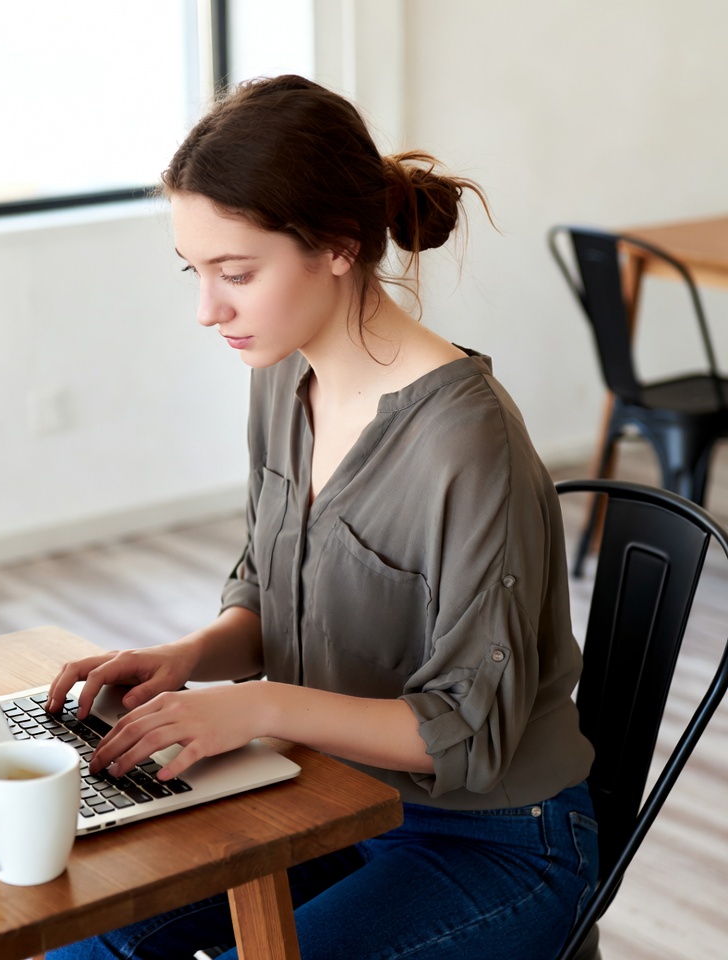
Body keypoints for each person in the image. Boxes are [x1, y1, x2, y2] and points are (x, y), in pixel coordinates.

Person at [45, 74, 597, 960]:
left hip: (490, 840)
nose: (206, 309)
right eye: (196, 272)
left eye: (236, 273)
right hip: (327, 802)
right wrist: (192, 658)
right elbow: (271, 586)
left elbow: (471, 731)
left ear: (338, 246)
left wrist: (257, 706)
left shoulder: (467, 439)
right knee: (77, 946)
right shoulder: (281, 375)